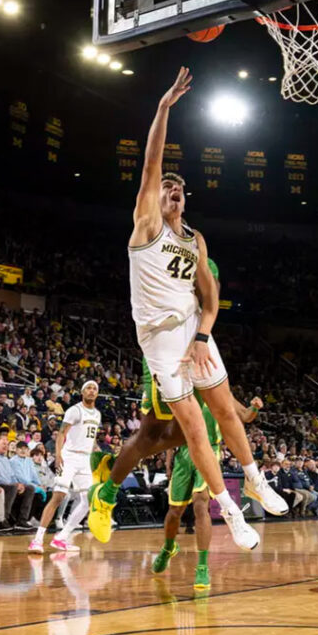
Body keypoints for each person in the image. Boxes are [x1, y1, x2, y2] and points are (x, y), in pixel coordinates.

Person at [87, 67, 285, 550]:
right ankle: (231, 512)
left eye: (180, 190)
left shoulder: (195, 239)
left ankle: (255, 478)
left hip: (194, 332)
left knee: (224, 411)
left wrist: (203, 334)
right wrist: (163, 107)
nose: (173, 193)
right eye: (166, 189)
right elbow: (152, 164)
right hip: (158, 339)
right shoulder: (147, 224)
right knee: (184, 427)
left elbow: (211, 296)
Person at [150, 385, 244, 590]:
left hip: (209, 450)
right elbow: (171, 429)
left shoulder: (218, 392)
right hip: (184, 454)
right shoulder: (182, 391)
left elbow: (245, 416)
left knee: (201, 503)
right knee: (175, 511)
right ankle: (168, 548)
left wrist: (254, 408)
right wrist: (168, 461)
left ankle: (202, 566)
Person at [29, 380, 102, 554]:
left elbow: (90, 439)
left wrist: (97, 453)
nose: (91, 391)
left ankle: (61, 538)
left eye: (94, 389)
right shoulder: (74, 410)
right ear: (83, 392)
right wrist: (59, 454)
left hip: (85, 460)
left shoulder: (98, 414)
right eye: (88, 388)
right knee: (59, 496)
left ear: (97, 394)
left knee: (88, 500)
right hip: (69, 456)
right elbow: (61, 434)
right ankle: (37, 540)